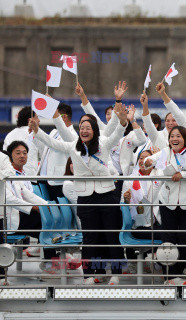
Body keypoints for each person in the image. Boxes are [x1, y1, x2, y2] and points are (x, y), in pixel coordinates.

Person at [29, 102, 129, 285]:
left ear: (94, 130)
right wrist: (37, 130)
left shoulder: (103, 143)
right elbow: (53, 143)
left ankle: (115, 271)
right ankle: (91, 273)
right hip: (85, 197)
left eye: (87, 127)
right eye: (81, 127)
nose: (84, 130)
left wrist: (122, 122)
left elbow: (117, 134)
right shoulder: (72, 146)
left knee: (111, 235)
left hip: (107, 194)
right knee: (90, 237)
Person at [144, 126, 186, 285]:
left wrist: (184, 174)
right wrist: (149, 161)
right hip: (167, 202)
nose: (174, 139)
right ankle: (169, 276)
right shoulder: (165, 152)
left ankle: (179, 271)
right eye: (172, 136)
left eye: (178, 136)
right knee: (169, 239)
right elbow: (146, 163)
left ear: (185, 139)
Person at [35, 103, 77, 201]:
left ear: (65, 117)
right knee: (50, 212)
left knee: (62, 212)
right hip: (45, 178)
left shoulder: (72, 135)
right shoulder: (54, 131)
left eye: (55, 116)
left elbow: (55, 146)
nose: (53, 119)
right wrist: (34, 134)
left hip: (58, 181)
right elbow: (44, 148)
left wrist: (38, 131)